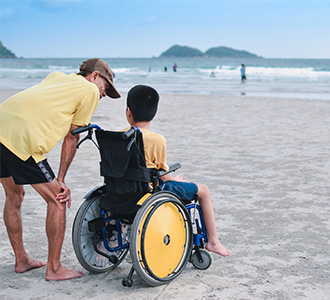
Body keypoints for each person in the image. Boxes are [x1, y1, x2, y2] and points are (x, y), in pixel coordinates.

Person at [0, 58, 120, 281]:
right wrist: (61, 179)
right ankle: (54, 268)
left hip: (2, 125)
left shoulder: (57, 77)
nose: (104, 94)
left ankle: (21, 260)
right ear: (94, 76)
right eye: (106, 88)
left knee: (14, 194)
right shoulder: (89, 91)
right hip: (21, 139)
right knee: (58, 199)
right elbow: (71, 137)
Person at [125, 85, 232, 257]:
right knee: (203, 190)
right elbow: (164, 175)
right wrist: (176, 180)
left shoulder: (116, 137)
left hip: (121, 191)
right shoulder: (156, 140)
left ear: (128, 112)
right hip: (150, 191)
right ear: (154, 114)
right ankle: (213, 241)